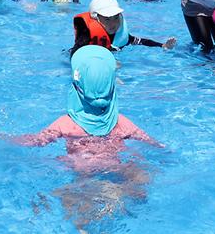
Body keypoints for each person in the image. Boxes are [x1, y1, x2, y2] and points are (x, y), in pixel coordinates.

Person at [13, 45, 162, 229]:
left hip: (80, 169)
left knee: (69, 197)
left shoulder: (66, 123)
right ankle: (119, 199)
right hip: (114, 166)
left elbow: (36, 141)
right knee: (137, 178)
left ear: (76, 87)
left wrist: (6, 139)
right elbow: (153, 144)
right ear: (112, 87)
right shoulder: (121, 122)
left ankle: (81, 224)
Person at [72, 0, 175, 56]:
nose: (113, 23)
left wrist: (162, 45)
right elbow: (75, 55)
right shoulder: (87, 35)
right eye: (107, 19)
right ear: (96, 18)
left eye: (116, 17)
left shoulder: (121, 35)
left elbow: (142, 41)